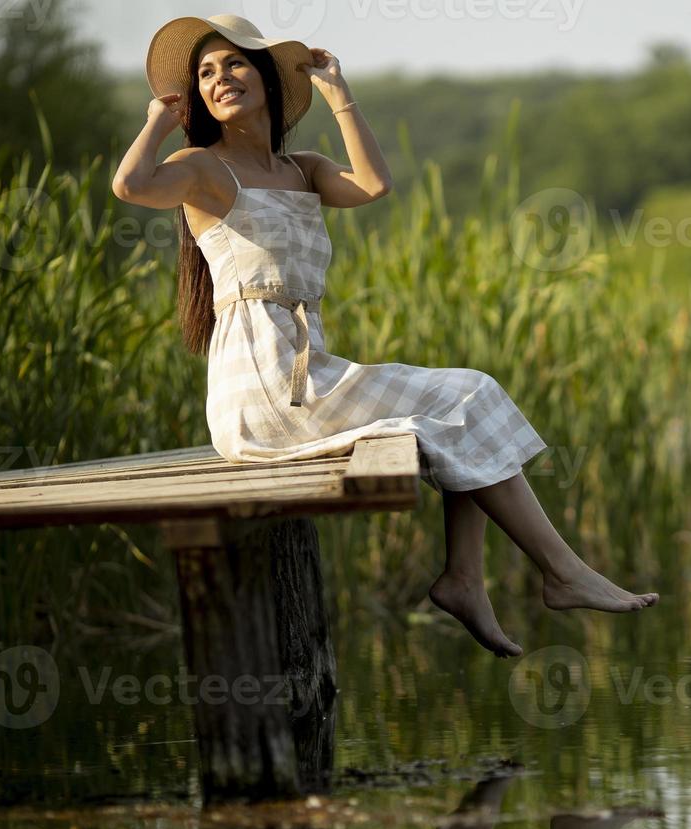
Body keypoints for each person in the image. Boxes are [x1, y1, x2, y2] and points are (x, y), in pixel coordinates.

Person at [113, 15, 657, 659]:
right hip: (261, 386)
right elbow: (131, 186)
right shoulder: (201, 167)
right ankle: (556, 572)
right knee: (463, 401)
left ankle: (467, 579)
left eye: (234, 63)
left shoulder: (302, 169)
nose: (219, 79)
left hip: (306, 370)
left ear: (266, 78)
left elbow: (375, 183)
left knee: (467, 396)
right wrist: (157, 121)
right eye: (205, 73)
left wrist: (340, 95)